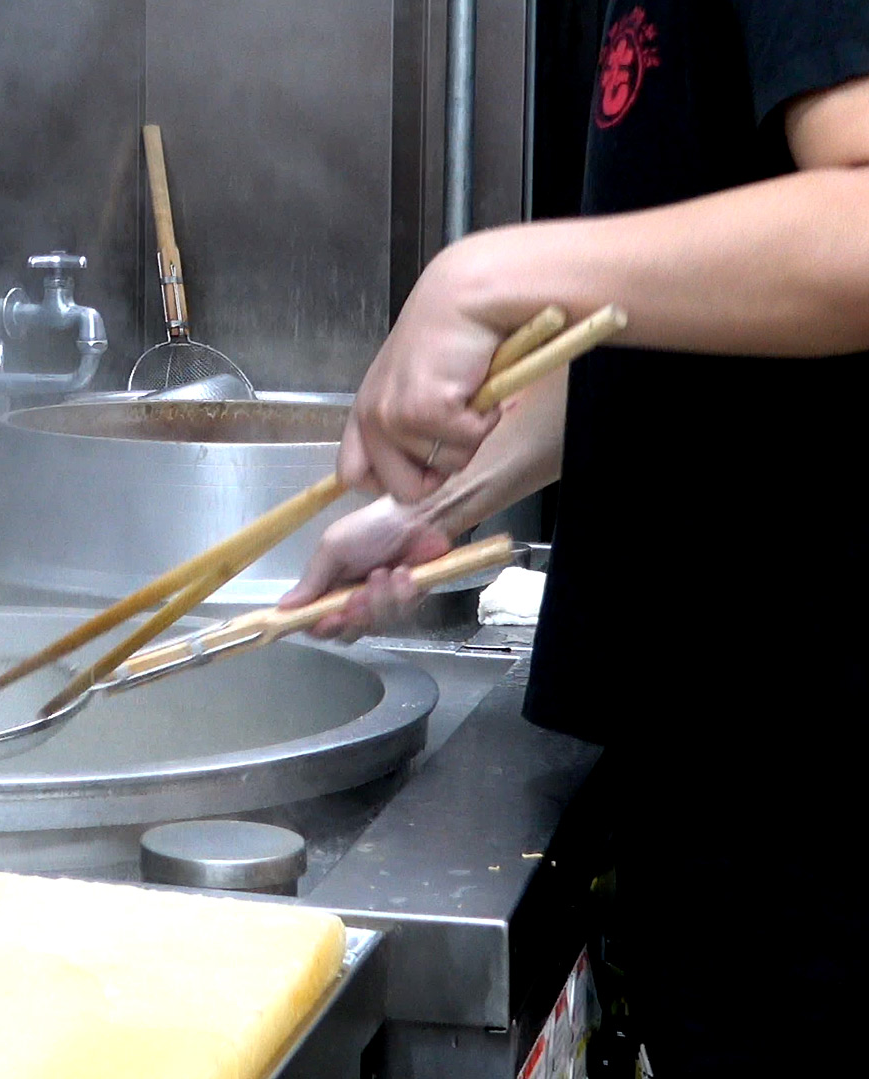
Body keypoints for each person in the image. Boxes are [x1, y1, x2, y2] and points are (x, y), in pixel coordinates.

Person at [277, 2, 869, 1075]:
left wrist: (488, 276)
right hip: (733, 794)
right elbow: (670, 334)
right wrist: (434, 508)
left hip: (824, 808)